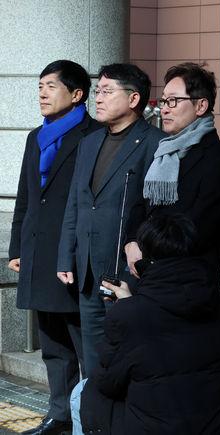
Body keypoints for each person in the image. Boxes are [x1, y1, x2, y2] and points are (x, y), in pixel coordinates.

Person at [71, 213, 220, 435]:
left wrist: (127, 307)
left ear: (147, 257)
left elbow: (107, 382)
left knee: (80, 393)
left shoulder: (128, 315)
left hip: (155, 427)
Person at [8, 60, 102, 435]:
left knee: (84, 344)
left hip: (74, 254)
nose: (42, 93)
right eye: (40, 86)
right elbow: (26, 197)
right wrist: (17, 247)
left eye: (51, 86)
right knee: (52, 344)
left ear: (77, 94)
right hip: (38, 251)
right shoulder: (36, 136)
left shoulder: (94, 135)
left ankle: (90, 418)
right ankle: (59, 414)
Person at [57, 63, 165, 375]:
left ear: (134, 99)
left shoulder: (155, 143)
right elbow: (76, 203)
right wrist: (66, 256)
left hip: (127, 271)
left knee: (128, 357)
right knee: (93, 361)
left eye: (107, 91)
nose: (98, 98)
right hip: (87, 270)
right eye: (97, 91)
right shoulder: (89, 142)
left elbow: (156, 210)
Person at [124, 62, 220, 277]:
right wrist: (131, 242)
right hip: (148, 274)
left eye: (174, 101)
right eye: (164, 101)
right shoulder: (164, 151)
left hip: (187, 279)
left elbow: (198, 229)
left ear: (201, 106)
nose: (165, 108)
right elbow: (141, 204)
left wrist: (145, 247)